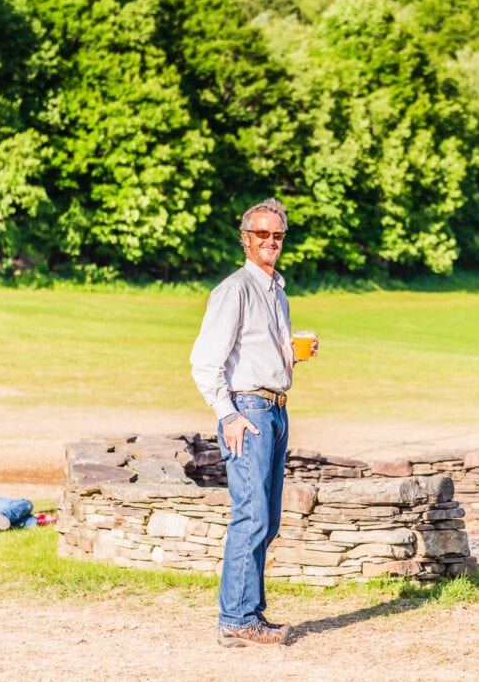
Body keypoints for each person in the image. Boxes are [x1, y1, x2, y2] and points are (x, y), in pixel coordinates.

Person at [190, 197, 317, 648]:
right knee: (251, 516)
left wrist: (293, 356)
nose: (270, 241)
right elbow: (206, 363)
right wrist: (229, 415)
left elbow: (259, 355)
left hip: (275, 408)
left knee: (269, 518)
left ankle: (249, 612)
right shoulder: (235, 289)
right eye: (261, 234)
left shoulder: (275, 290)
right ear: (245, 239)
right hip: (249, 412)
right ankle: (236, 620)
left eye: (277, 234)